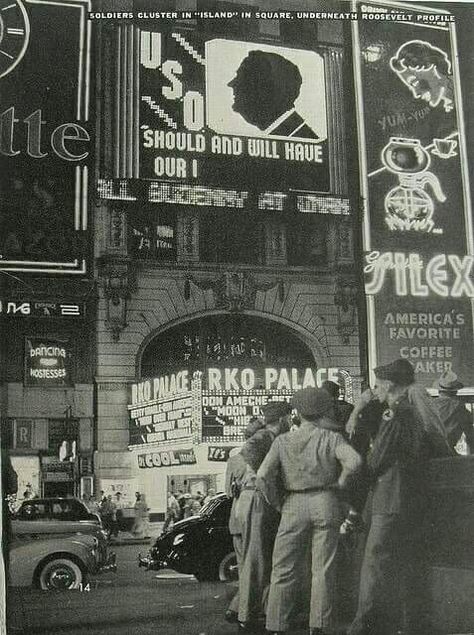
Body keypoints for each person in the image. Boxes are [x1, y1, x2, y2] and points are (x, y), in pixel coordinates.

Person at [347, 359, 451, 635]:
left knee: (374, 564)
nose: (376, 390)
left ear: (390, 384)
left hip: (390, 499)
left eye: (378, 385)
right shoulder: (416, 412)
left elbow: (377, 458)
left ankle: (362, 626)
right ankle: (409, 624)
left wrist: (360, 471)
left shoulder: (395, 414)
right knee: (409, 562)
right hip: (413, 499)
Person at [258, 387, 362, 635]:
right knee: (323, 569)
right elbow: (355, 462)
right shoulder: (332, 438)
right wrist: (341, 481)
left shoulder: (282, 441)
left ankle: (276, 626)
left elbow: (262, 475)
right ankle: (319, 626)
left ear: (298, 413)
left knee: (283, 568)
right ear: (324, 411)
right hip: (326, 501)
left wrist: (277, 502)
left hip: (293, 503)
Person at [235, 401, 292, 632]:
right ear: (281, 419)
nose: (291, 420)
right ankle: (246, 616)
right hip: (259, 498)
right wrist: (264, 475)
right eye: (288, 417)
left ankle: (254, 611)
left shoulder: (270, 437)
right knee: (256, 559)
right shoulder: (264, 437)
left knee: (264, 558)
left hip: (260, 499)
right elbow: (247, 451)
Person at [224, 417, 266, 625]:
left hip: (237, 514)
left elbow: (227, 491)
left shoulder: (233, 460)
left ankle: (240, 608)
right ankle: (245, 610)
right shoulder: (261, 456)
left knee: (243, 565)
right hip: (255, 510)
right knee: (256, 564)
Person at [228, 50, 320, 139]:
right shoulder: (290, 135)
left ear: (264, 89)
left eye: (242, 78)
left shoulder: (299, 140)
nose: (232, 84)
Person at [390, 39, 454, 113]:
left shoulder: (442, 75)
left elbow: (443, 85)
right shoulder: (404, 67)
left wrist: (448, 99)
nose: (417, 94)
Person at [434, 370, 474, 454]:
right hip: (447, 452)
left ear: (439, 390)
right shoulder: (459, 408)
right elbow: (470, 435)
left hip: (426, 454)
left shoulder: (429, 405)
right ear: (455, 391)